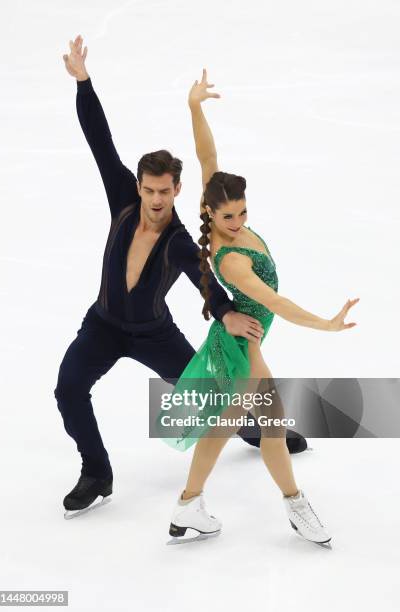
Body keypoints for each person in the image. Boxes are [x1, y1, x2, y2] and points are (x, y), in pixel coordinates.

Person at [55, 36, 307, 520]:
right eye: (148, 189)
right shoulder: (124, 200)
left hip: (153, 332)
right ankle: (97, 472)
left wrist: (230, 315)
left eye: (163, 191)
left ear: (177, 189)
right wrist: (84, 82)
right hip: (103, 325)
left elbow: (204, 280)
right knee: (67, 389)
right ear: (139, 187)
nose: (154, 199)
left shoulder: (177, 239)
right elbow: (98, 139)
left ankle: (255, 432)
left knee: (211, 397)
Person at [165, 70, 360, 546]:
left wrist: (195, 108)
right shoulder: (231, 260)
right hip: (242, 344)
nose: (237, 221)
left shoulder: (219, 197)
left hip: (242, 337)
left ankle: (188, 506)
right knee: (270, 426)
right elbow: (275, 303)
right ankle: (295, 506)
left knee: (226, 426)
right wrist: (326, 324)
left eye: (243, 212)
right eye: (228, 216)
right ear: (209, 212)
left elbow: (206, 155)